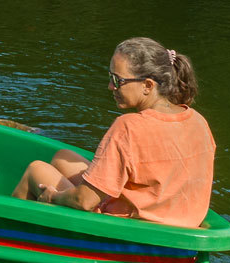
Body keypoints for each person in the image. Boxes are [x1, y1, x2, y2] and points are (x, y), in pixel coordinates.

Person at [11, 37, 216, 228]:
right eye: (110, 78)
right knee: (62, 157)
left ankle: (10, 239)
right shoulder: (198, 121)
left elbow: (84, 201)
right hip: (170, 218)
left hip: (132, 229)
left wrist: (54, 196)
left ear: (147, 85)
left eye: (118, 81)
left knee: (35, 170)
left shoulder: (128, 127)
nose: (110, 87)